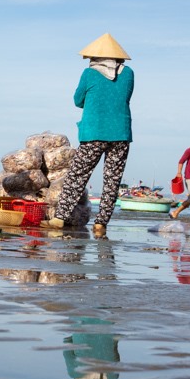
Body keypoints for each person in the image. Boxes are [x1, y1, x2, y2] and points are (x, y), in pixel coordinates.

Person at [45, 33, 134, 236]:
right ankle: (101, 223)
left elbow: (78, 100)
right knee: (112, 180)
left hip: (93, 132)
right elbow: (124, 98)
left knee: (77, 175)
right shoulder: (128, 73)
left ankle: (59, 217)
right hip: (120, 133)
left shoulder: (89, 74)